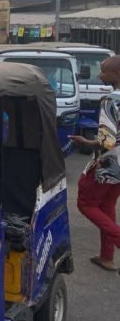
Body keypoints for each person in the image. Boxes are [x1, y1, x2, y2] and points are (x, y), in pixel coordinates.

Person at [69, 55, 120, 272]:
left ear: (116, 75)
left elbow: (106, 141)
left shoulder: (111, 100)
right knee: (106, 206)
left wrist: (85, 142)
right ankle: (106, 257)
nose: (100, 75)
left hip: (109, 164)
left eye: (104, 71)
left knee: (86, 204)